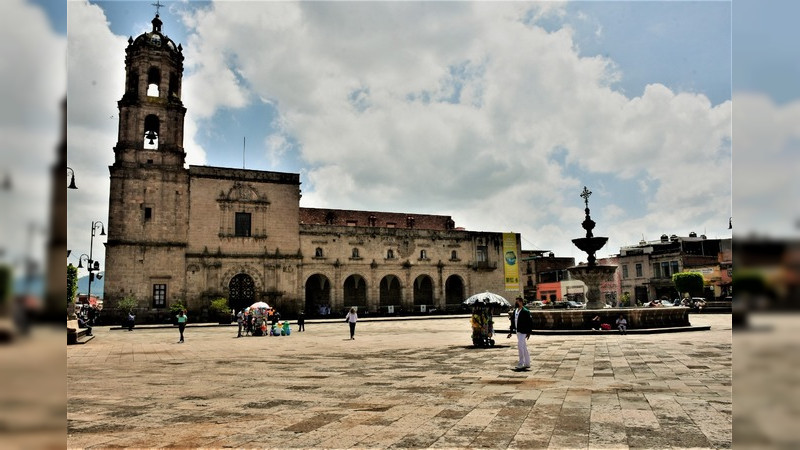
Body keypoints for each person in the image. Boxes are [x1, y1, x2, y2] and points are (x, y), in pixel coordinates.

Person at [507, 297, 532, 370]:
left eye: (517, 302)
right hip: (517, 331)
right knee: (523, 347)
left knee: (520, 346)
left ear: (521, 302)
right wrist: (511, 332)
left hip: (523, 331)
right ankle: (527, 363)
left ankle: (521, 363)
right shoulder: (515, 311)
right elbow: (512, 322)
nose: (516, 303)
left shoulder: (525, 311)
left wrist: (529, 332)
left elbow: (529, 322)